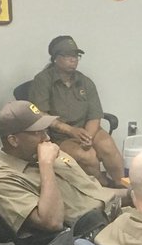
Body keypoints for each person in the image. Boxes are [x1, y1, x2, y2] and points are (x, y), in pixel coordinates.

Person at [0, 101, 127, 245]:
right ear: (13, 140)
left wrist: (132, 193)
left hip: (116, 216)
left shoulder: (49, 153)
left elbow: (95, 193)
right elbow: (53, 222)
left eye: (45, 130)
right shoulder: (2, 181)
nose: (46, 138)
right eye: (37, 132)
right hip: (92, 239)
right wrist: (46, 165)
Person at [16, 35, 123, 182]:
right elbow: (40, 115)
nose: (73, 59)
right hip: (59, 136)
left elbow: (94, 115)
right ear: (55, 58)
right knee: (88, 156)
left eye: (76, 56)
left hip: (86, 130)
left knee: (108, 146)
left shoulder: (85, 82)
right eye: (68, 56)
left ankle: (124, 188)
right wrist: (71, 131)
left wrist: (87, 137)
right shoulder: (42, 81)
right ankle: (103, 191)